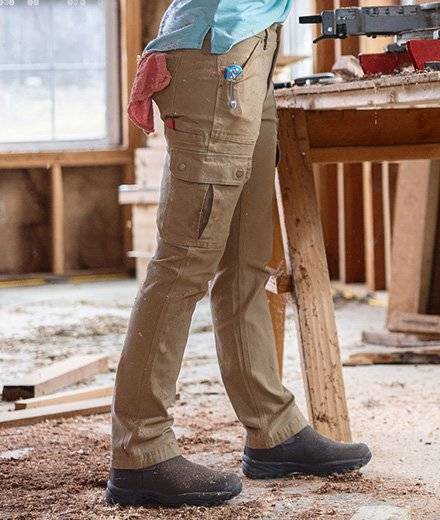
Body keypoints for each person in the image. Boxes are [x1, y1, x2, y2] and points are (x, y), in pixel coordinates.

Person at [107, 0, 371, 508]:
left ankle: (273, 428)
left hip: (252, 53)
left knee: (247, 263)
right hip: (216, 55)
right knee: (184, 266)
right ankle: (139, 448)